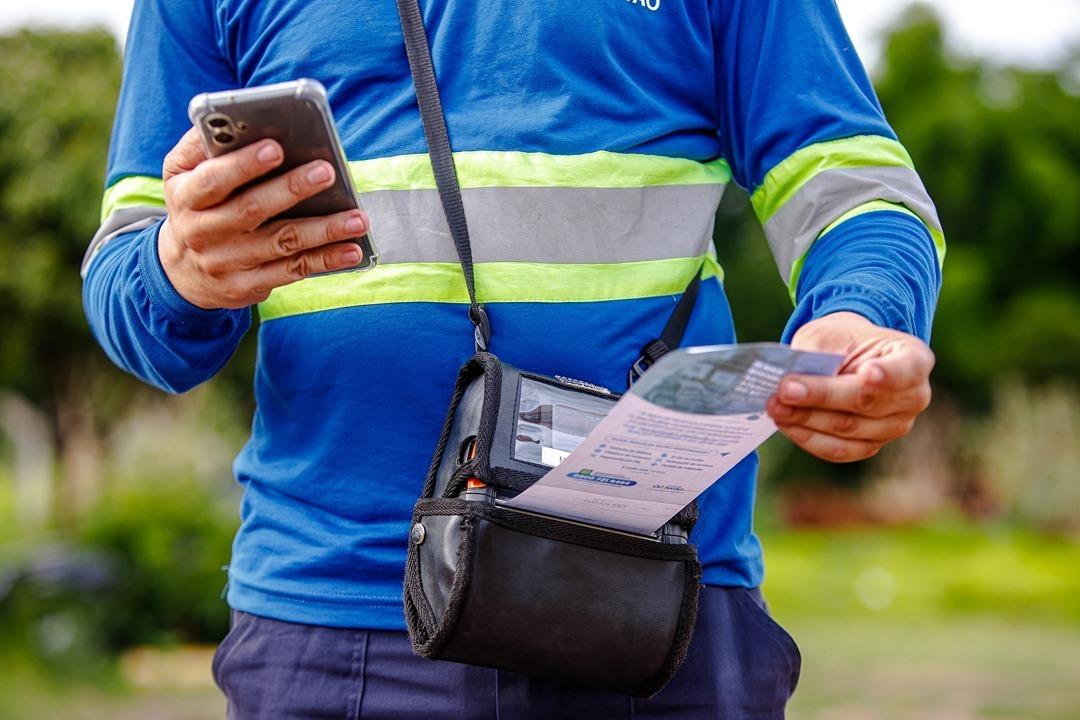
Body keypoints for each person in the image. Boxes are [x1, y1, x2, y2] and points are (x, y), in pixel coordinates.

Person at [82, 0, 942, 717]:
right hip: (338, 619)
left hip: (651, 600)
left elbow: (856, 188)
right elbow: (132, 292)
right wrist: (179, 269)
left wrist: (861, 315)